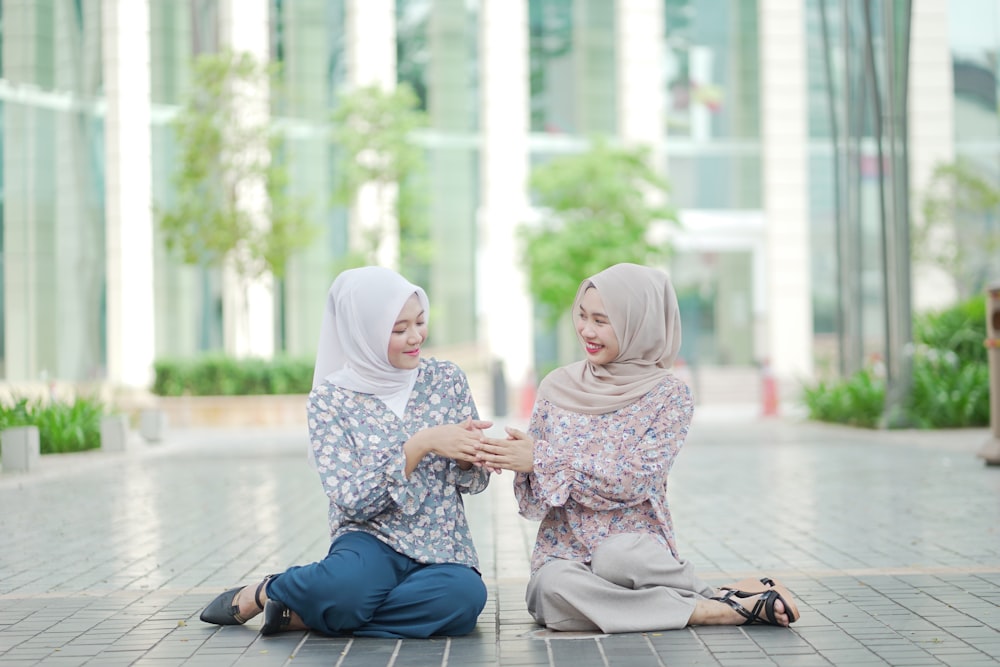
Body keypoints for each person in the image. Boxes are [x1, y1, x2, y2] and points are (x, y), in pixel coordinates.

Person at [475, 263, 801, 632]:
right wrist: (517, 464)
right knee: (549, 589)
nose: (586, 330)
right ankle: (716, 606)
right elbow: (536, 504)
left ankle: (697, 600)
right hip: (565, 553)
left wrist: (543, 459)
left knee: (615, 557)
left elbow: (633, 481)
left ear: (638, 323)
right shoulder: (556, 387)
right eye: (582, 316)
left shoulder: (668, 396)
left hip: (635, 554)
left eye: (602, 320)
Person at [200, 266, 492, 638]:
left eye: (420, 322)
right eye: (399, 329)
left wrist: (469, 456)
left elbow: (474, 481)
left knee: (463, 600)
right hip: (370, 539)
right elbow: (351, 500)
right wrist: (421, 444)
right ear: (363, 332)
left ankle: (305, 615)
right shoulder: (331, 399)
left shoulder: (446, 379)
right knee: (346, 590)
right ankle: (268, 590)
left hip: (441, 540)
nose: (416, 336)